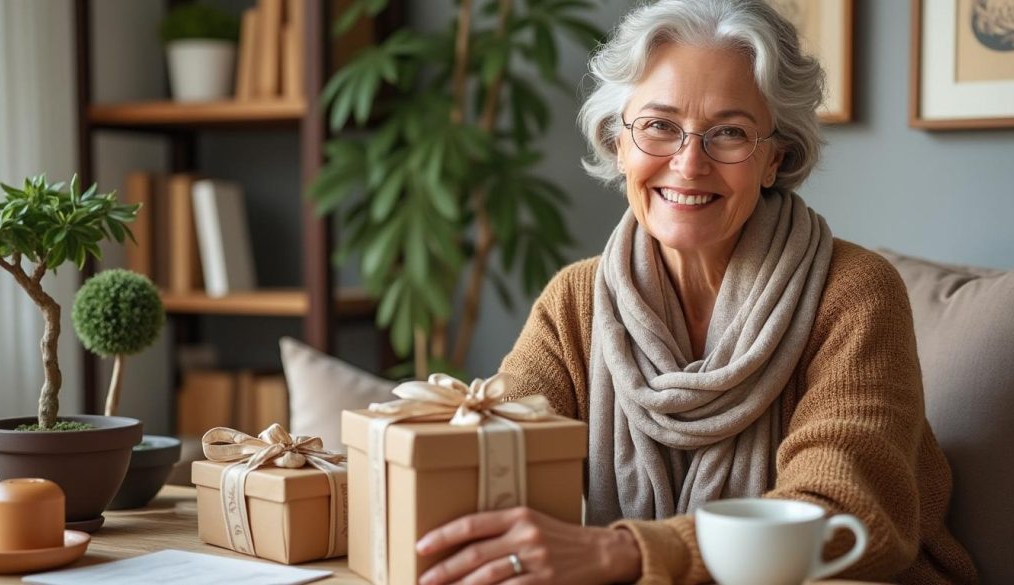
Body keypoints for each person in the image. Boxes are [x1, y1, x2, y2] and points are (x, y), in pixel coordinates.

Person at [414, 1, 978, 583]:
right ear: (618, 143)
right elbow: (497, 459)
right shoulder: (574, 302)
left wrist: (629, 553)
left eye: (729, 133)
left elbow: (843, 515)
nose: (688, 164)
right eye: (659, 126)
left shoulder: (854, 292)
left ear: (773, 159)